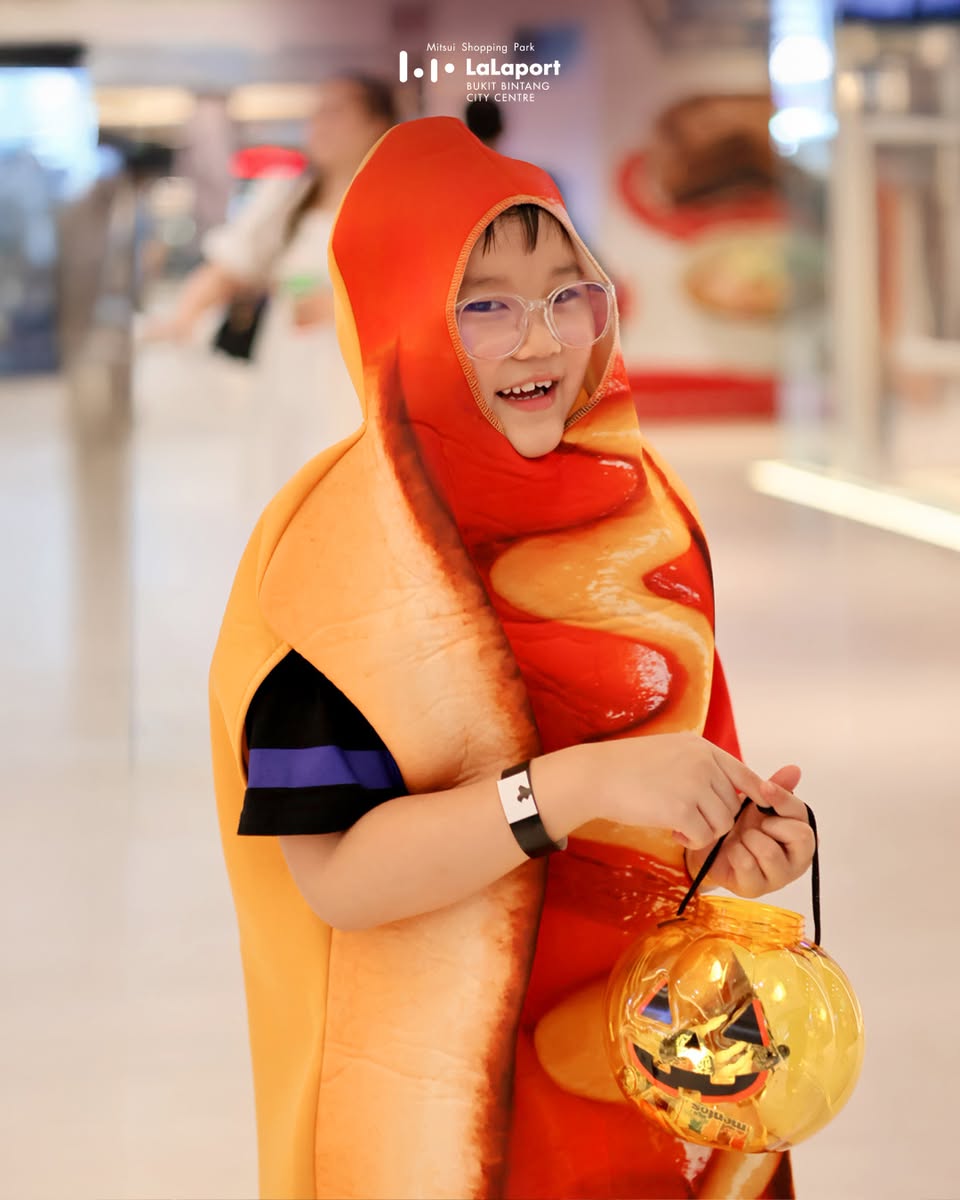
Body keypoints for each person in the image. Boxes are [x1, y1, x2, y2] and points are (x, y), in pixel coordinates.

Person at [209, 117, 814, 1199]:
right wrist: (573, 790)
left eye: (565, 293)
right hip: (444, 1114)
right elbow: (338, 876)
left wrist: (738, 850)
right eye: (482, 304)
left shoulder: (645, 512)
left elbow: (686, 774)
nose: (538, 341)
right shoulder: (332, 567)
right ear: (399, 314)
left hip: (657, 1078)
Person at [146, 73, 397, 500]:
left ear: (378, 124)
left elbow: (425, 291)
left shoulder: (398, 200)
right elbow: (229, 266)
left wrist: (343, 305)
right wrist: (184, 316)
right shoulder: (286, 196)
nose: (321, 123)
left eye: (337, 111)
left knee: (348, 495)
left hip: (359, 380)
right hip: (287, 371)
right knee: (284, 489)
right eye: (317, 112)